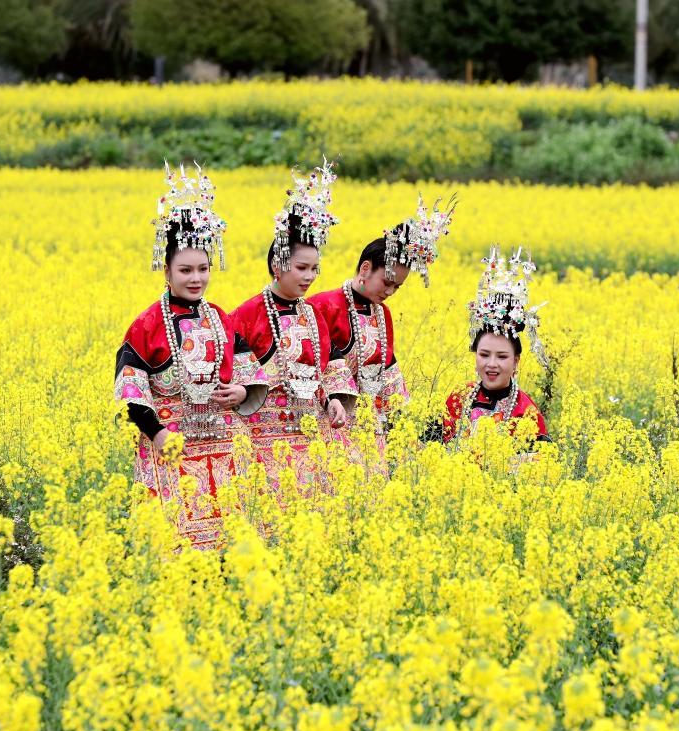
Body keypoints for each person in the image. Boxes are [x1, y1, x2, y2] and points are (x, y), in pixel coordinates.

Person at [114, 163, 266, 549]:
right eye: (185, 270)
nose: (195, 278)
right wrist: (158, 433)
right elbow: (131, 393)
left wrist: (242, 393)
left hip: (222, 441)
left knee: (230, 544)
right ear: (166, 271)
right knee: (175, 546)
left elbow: (250, 373)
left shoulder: (220, 317)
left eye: (202, 268)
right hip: (170, 445)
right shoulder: (146, 325)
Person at [308, 194, 456, 460]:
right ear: (365, 269)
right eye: (387, 281)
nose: (390, 291)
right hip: (327, 420)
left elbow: (387, 373)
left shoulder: (382, 314)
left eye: (397, 286)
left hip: (369, 426)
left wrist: (402, 425)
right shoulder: (323, 306)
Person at [229, 161, 340, 493]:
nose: (309, 277)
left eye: (315, 269)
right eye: (302, 267)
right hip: (264, 439)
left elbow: (328, 367)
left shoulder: (314, 314)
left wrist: (333, 399)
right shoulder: (247, 314)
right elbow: (231, 374)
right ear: (278, 266)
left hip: (312, 433)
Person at [438, 246, 552, 445]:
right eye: (484, 355)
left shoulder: (526, 412)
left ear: (516, 361)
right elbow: (428, 447)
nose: (491, 364)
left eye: (501, 356)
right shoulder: (459, 398)